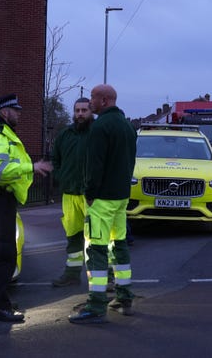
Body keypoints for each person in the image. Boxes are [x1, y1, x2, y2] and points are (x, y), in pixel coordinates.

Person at [0, 93, 48, 323]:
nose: (19, 114)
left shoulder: (1, 133)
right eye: (16, 110)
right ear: (5, 112)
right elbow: (1, 169)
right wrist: (31, 166)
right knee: (5, 254)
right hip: (0, 199)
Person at [68, 84, 137, 324]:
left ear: (105, 100)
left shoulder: (100, 127)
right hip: (121, 198)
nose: (91, 101)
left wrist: (89, 192)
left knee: (96, 249)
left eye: (94, 98)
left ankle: (96, 306)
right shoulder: (128, 126)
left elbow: (94, 165)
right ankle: (124, 297)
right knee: (119, 245)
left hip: (102, 200)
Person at [49, 97, 93, 287]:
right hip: (69, 193)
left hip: (91, 195)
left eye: (84, 110)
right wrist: (61, 177)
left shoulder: (97, 133)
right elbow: (55, 159)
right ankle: (72, 274)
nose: (80, 114)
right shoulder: (65, 135)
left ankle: (103, 275)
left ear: (91, 111)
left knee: (96, 238)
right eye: (77, 110)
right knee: (73, 235)